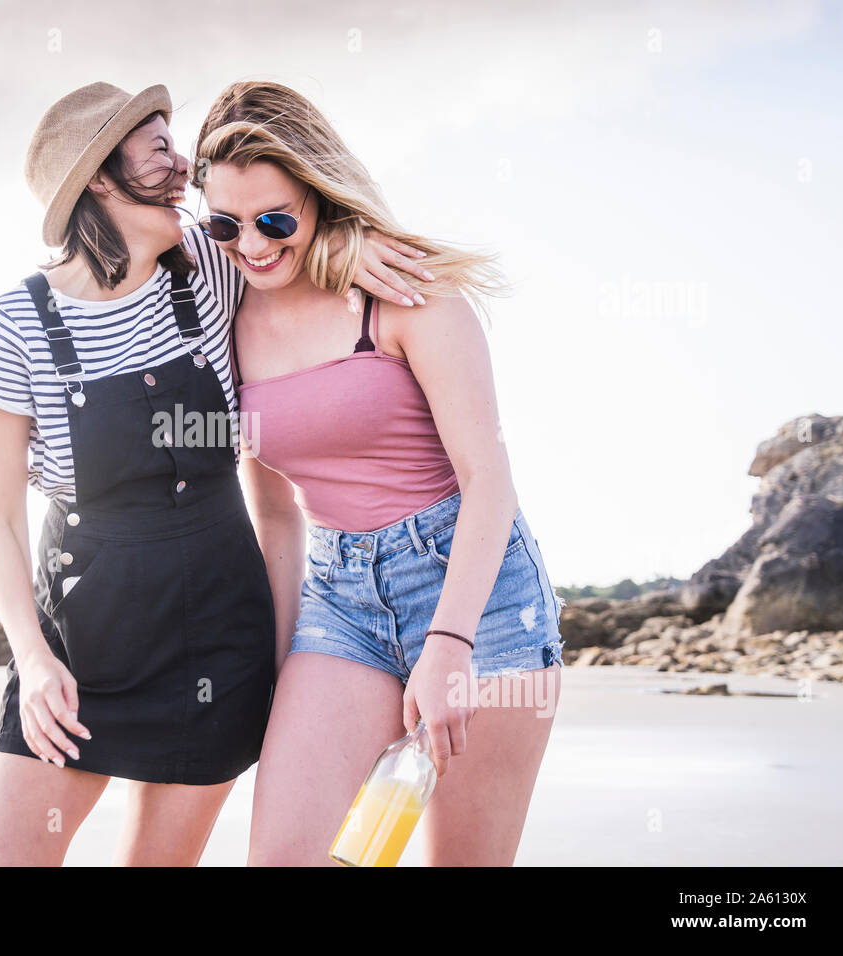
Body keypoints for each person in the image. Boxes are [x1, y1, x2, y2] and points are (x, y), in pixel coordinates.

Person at [0, 81, 431, 866]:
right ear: (98, 181)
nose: (185, 168)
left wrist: (361, 246)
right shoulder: (13, 327)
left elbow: (299, 229)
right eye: (158, 152)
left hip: (218, 640)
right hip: (81, 652)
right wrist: (35, 663)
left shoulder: (215, 268)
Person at [194, 80, 566, 866]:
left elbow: (489, 479)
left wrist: (450, 641)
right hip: (340, 600)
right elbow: (277, 513)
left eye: (274, 221)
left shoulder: (403, 291)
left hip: (479, 594)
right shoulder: (226, 313)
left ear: (318, 194)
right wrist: (281, 663)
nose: (252, 246)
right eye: (226, 224)